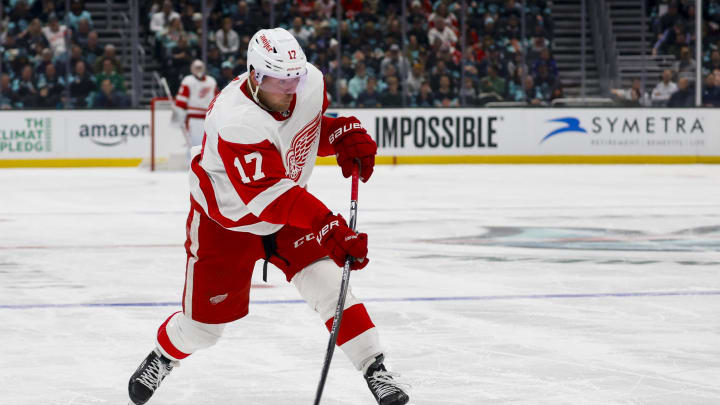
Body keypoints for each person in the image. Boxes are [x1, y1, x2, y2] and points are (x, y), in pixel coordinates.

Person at [127, 28, 410, 405]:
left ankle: (375, 368)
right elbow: (268, 196)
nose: (290, 89)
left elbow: (300, 137)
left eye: (295, 78)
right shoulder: (235, 119)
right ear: (255, 76)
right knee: (203, 331)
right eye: (279, 81)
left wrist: (339, 134)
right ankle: (164, 356)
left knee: (330, 286)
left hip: (289, 211)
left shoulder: (309, 84)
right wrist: (326, 223)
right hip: (226, 224)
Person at [173, 60, 219, 146]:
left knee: (207, 147)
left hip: (208, 119)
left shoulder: (211, 81)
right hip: (193, 120)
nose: (199, 70)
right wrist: (178, 117)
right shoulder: (188, 81)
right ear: (192, 69)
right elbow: (181, 101)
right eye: (197, 68)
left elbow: (216, 100)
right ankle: (191, 160)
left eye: (200, 68)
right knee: (194, 147)